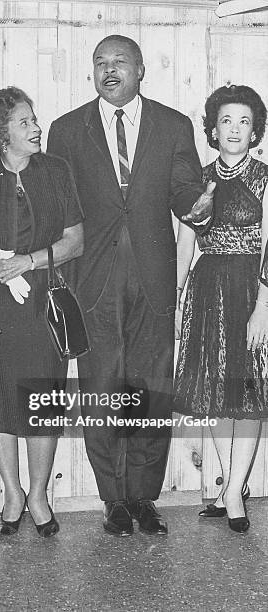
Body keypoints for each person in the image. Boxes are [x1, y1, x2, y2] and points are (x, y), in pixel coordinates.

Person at [47, 34, 214, 537]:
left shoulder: (172, 124)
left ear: (141, 70)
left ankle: (144, 496)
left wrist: (197, 207)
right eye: (100, 63)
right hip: (92, 279)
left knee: (152, 387)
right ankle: (112, 499)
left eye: (119, 61)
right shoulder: (67, 129)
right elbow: (62, 207)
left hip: (154, 275)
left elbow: (184, 189)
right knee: (102, 389)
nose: (109, 69)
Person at [0, 87, 83, 537]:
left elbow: (75, 241)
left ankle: (38, 496)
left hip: (42, 304)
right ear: (1, 132)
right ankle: (12, 494)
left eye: (34, 119)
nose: (36, 127)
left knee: (42, 403)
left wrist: (27, 261)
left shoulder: (55, 170)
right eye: (25, 121)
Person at [175, 84, 268, 533]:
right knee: (210, 390)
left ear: (255, 132)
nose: (234, 129)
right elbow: (185, 242)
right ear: (213, 128)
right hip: (207, 287)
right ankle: (230, 483)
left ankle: (233, 492)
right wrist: (176, 299)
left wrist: (263, 309)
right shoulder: (199, 180)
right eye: (226, 120)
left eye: (244, 121)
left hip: (253, 289)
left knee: (247, 392)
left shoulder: (266, 178)